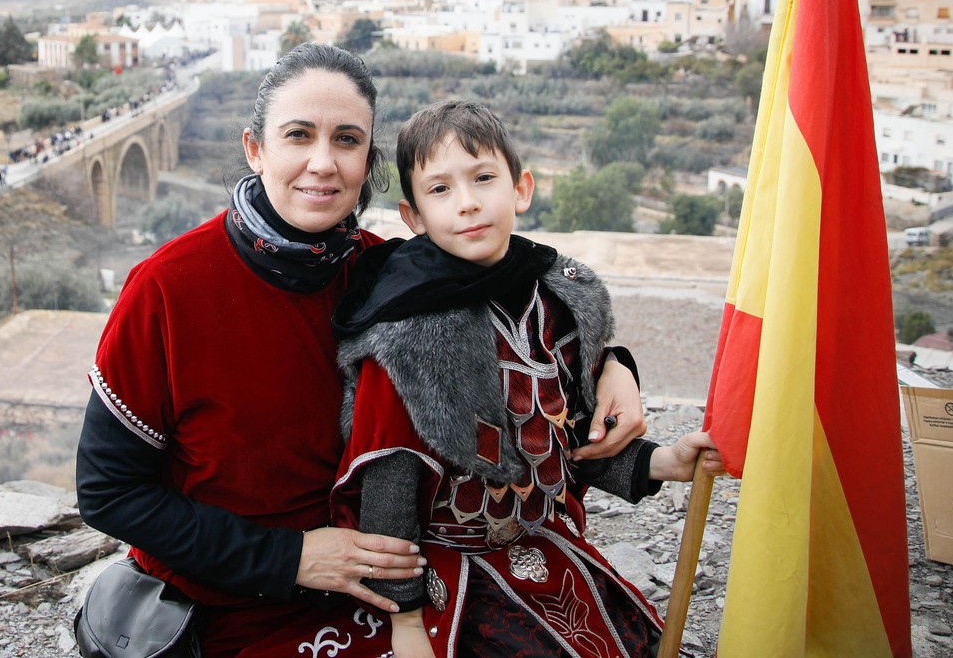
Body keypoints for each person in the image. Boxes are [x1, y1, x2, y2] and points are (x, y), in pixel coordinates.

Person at [75, 45, 648, 658]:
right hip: (235, 604)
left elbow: (522, 313)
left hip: (390, 591)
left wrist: (613, 365)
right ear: (255, 148)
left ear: (367, 162)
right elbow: (110, 491)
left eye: (346, 140)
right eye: (298, 135)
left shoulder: (398, 277)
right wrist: (290, 557)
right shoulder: (167, 289)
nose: (323, 163)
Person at [331, 101, 724, 658]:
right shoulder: (404, 329)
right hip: (450, 570)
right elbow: (388, 483)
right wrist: (407, 621)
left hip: (543, 543)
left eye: (483, 178)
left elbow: (566, 436)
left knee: (638, 644)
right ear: (413, 218)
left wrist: (662, 462)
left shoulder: (556, 300)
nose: (467, 202)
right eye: (440, 189)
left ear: (521, 188)